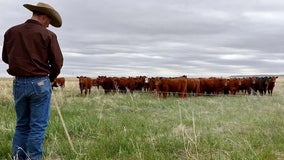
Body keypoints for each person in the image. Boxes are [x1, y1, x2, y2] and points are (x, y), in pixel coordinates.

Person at [2, 2, 63, 160]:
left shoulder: (11, 32)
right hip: (40, 83)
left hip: (18, 84)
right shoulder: (48, 35)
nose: (48, 26)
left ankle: (18, 157)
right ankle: (33, 158)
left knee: (22, 124)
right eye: (48, 22)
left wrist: (22, 66)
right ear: (43, 16)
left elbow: (5, 58)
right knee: (37, 127)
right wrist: (49, 78)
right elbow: (57, 62)